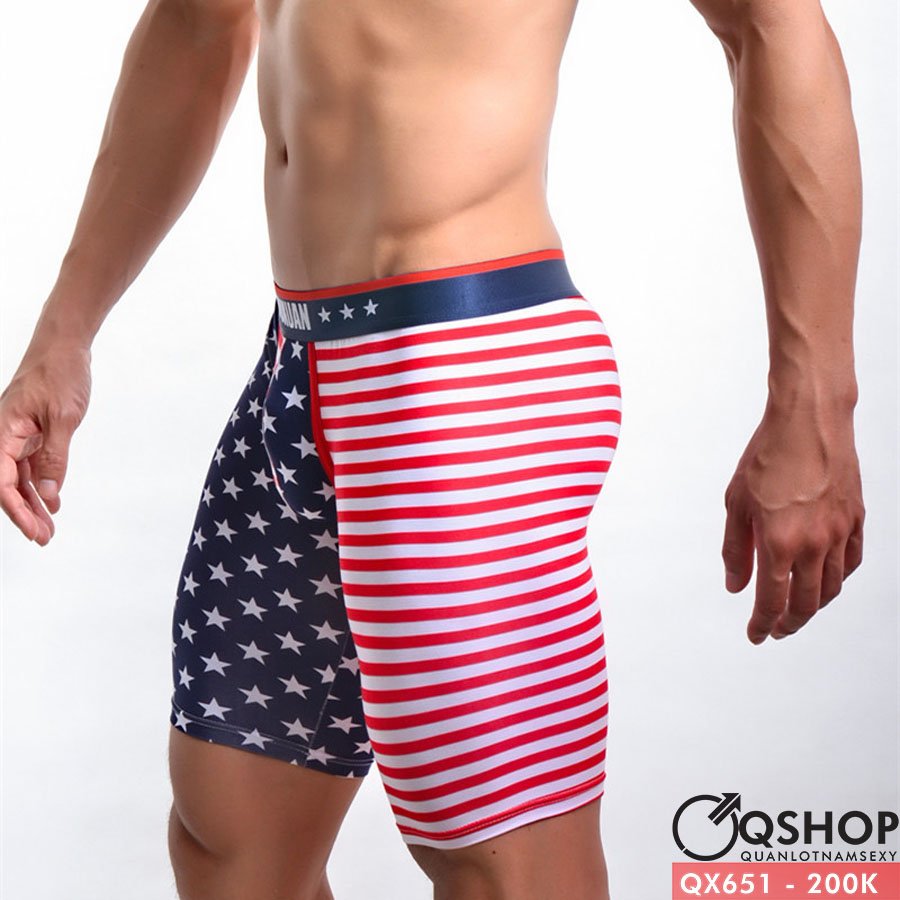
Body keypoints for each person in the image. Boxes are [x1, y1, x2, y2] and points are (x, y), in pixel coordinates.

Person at [0, 0, 866, 897]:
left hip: (464, 373)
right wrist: (65, 333)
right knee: (229, 848)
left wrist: (815, 407)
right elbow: (196, 24)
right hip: (295, 369)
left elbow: (772, 23)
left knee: (503, 870)